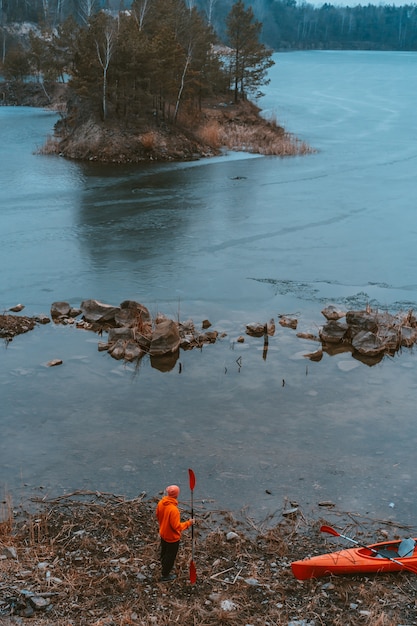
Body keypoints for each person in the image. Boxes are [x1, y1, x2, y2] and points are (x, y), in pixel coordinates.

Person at [156, 484, 194, 582]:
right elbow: (177, 527)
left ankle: (163, 562)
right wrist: (189, 523)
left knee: (164, 550)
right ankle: (165, 575)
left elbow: (158, 515)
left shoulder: (161, 503)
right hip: (172, 538)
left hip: (163, 532)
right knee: (170, 556)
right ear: (176, 495)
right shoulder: (174, 510)